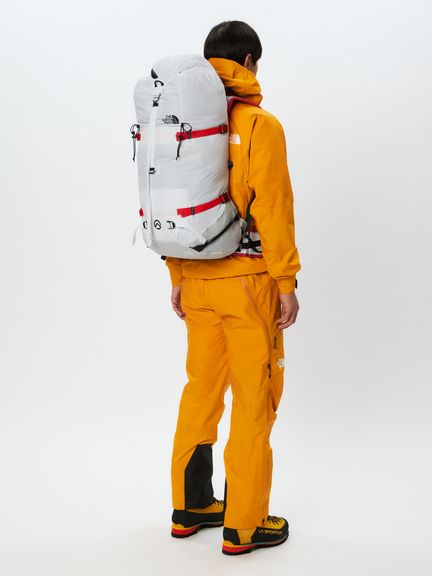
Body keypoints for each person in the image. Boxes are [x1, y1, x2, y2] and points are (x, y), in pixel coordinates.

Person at [167, 20, 301, 556]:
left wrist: (178, 277)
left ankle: (191, 505)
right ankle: (244, 524)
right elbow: (274, 207)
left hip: (196, 282)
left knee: (200, 391)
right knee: (253, 400)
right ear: (248, 62)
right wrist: (286, 281)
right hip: (247, 285)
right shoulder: (260, 125)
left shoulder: (180, 123)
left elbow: (171, 202)